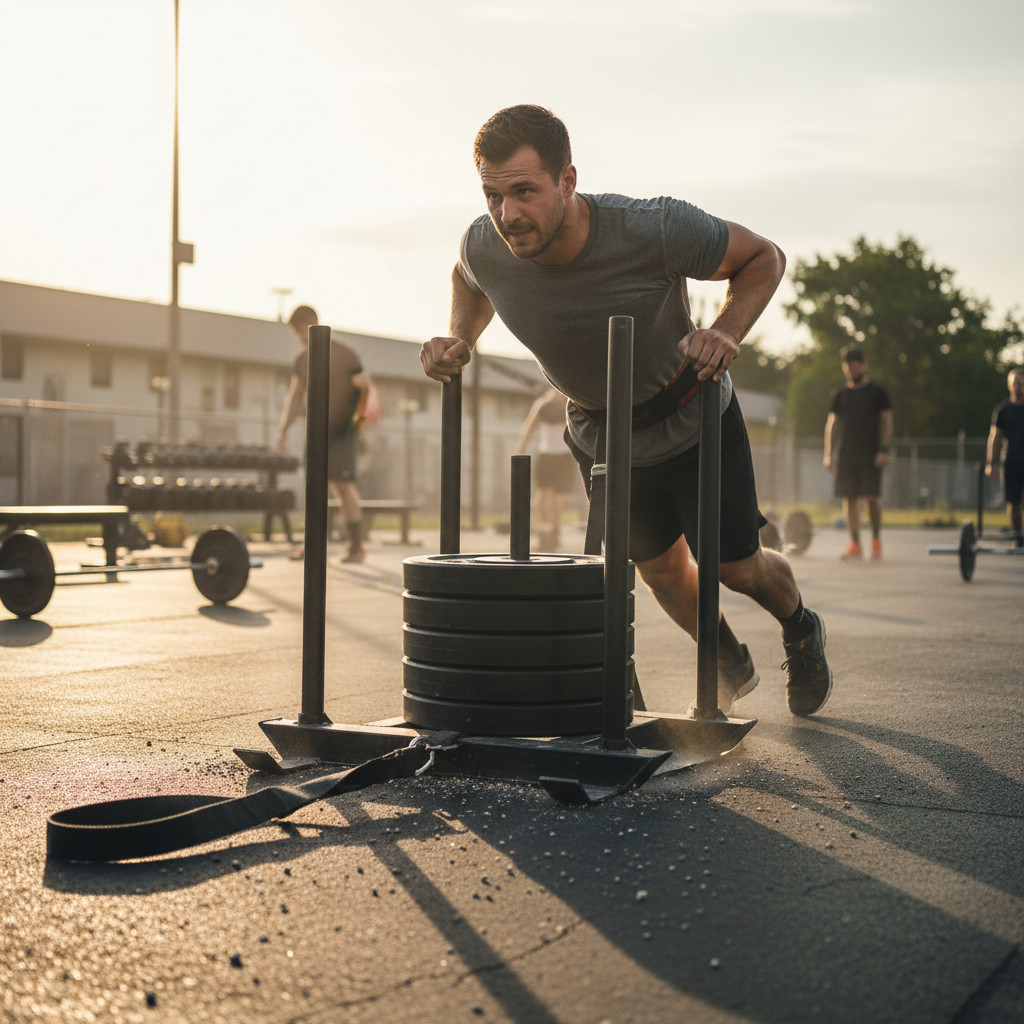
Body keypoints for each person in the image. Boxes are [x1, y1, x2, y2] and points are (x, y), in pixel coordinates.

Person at [420, 104, 833, 718]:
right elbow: (468, 277)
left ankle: (800, 626)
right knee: (661, 570)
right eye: (493, 195)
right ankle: (724, 656)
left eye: (525, 192)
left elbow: (763, 257)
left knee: (735, 568)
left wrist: (726, 330)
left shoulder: (653, 228)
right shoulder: (487, 244)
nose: (508, 215)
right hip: (603, 435)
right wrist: (460, 337)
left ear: (567, 181)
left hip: (693, 418)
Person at [276, 305, 369, 564]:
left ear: (311, 324)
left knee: (343, 486)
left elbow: (363, 388)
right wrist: (283, 430)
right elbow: (295, 396)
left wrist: (355, 425)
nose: (299, 338)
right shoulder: (301, 359)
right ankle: (312, 545)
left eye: (300, 332)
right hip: (315, 431)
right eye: (295, 335)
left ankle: (356, 547)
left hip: (341, 432)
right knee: (315, 488)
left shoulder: (343, 353)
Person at [822, 347, 893, 560]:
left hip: (871, 454)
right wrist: (828, 453)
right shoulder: (840, 394)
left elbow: (888, 422)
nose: (851, 370)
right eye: (847, 367)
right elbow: (832, 424)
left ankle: (876, 540)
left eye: (854, 366)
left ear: (863, 365)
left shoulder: (877, 392)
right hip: (847, 454)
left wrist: (884, 449)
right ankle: (855, 543)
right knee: (850, 499)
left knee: (871, 498)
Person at [514, 387, 581, 550]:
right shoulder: (543, 404)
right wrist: (519, 452)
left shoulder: (572, 403)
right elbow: (529, 428)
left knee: (558, 500)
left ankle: (554, 535)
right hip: (547, 455)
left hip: (566, 456)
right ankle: (542, 533)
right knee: (542, 498)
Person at [985, 367, 1024, 547]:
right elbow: (995, 437)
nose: (1018, 387)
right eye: (1015, 383)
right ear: (1009, 385)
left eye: (1021, 384)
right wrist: (990, 463)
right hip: (1010, 462)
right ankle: (1018, 538)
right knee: (1012, 501)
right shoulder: (1003, 410)